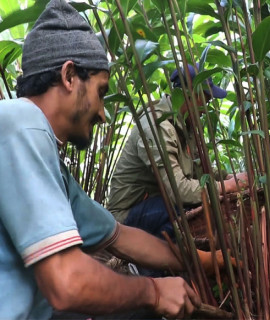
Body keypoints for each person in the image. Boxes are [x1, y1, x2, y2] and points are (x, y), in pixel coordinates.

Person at [0, 0, 211, 318]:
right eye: (101, 91)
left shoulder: (48, 158)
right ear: (69, 76)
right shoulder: (20, 123)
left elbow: (120, 237)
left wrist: (207, 261)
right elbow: (67, 283)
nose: (102, 112)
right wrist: (153, 291)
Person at [107, 64, 247, 239]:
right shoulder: (157, 126)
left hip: (159, 203)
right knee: (188, 210)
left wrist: (226, 177)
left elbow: (197, 170)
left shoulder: (184, 124)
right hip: (127, 215)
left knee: (202, 206)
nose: (207, 107)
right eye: (206, 99)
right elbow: (179, 191)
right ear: (189, 96)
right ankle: (146, 264)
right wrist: (228, 186)